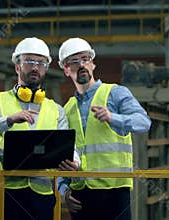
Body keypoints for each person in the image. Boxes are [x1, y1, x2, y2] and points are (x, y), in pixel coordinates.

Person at [0, 37, 78, 220]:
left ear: (46, 69)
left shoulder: (56, 110)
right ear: (17, 66)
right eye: (29, 61)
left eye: (41, 63)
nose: (35, 67)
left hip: (41, 195)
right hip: (3, 191)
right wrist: (7, 120)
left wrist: (75, 161)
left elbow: (66, 146)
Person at [57, 38, 152, 220]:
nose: (81, 64)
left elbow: (143, 122)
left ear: (92, 64)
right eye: (74, 62)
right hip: (80, 194)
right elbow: (64, 153)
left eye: (85, 59)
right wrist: (64, 191)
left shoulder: (115, 93)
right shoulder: (67, 108)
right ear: (66, 70)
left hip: (114, 190)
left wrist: (112, 117)